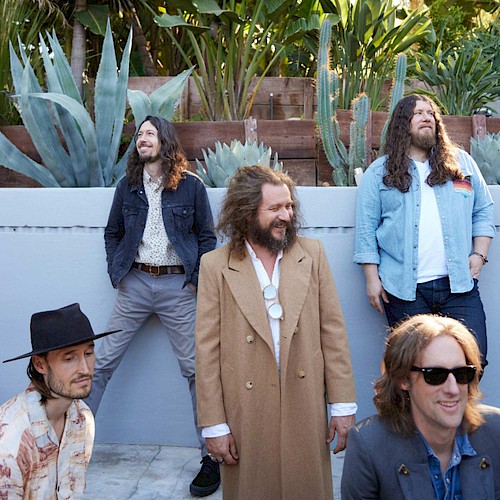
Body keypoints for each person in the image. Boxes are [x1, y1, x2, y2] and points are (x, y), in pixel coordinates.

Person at [195, 165, 357, 500]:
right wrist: (214, 424)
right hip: (246, 411)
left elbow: (333, 332)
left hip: (305, 401)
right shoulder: (215, 265)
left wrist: (342, 405)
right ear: (246, 212)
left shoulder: (312, 254)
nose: (286, 215)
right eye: (275, 209)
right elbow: (206, 351)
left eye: (289, 206)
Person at [84, 116, 218, 496]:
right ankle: (72, 444)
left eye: (150, 133)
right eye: (139, 134)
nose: (142, 139)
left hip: (179, 285)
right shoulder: (127, 187)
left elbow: (206, 237)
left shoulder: (191, 187)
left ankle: (211, 455)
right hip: (136, 283)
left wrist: (195, 281)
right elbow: (112, 233)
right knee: (102, 362)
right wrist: (118, 273)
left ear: (165, 141)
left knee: (196, 369)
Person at [354, 94, 494, 369]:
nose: (426, 117)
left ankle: (458, 413)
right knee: (415, 367)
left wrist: (479, 255)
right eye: (417, 113)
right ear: (402, 124)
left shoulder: (461, 164)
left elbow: (483, 211)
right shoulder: (379, 173)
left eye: (430, 113)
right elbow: (365, 229)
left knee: (473, 360)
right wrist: (371, 279)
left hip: (459, 286)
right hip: (404, 290)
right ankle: (419, 414)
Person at [341, 314, 500, 499]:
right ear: (403, 379)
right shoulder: (369, 446)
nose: (453, 389)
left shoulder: (495, 433)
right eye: (435, 375)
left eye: (462, 373)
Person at [0, 303, 119, 498]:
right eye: (69, 358)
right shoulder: (9, 444)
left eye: (88, 354)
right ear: (40, 364)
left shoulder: (82, 419)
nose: (85, 369)